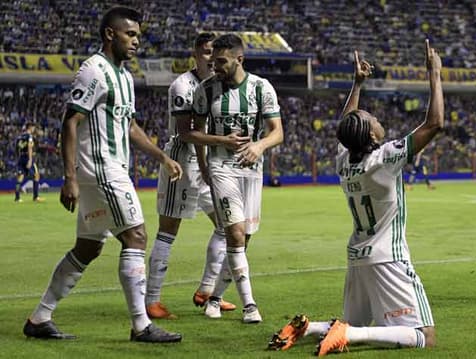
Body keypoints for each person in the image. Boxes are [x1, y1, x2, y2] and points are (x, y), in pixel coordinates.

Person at [268, 40, 443, 356]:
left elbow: (345, 126)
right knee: (424, 337)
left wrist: (357, 84)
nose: (375, 117)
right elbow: (434, 124)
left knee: (358, 320)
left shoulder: (343, 160)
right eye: (371, 117)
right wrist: (435, 74)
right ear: (373, 136)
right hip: (389, 257)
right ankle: (349, 334)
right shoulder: (384, 159)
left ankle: (309, 328)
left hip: (357, 256)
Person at [23, 6, 183, 342]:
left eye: (138, 34)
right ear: (111, 34)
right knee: (136, 236)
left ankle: (39, 317)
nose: (137, 41)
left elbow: (130, 126)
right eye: (131, 34)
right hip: (102, 168)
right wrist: (68, 177)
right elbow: (71, 121)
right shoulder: (94, 70)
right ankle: (142, 325)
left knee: (87, 248)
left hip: (107, 169)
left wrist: (162, 157)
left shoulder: (124, 76)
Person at [186, 33, 283, 323]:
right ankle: (250, 306)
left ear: (239, 59)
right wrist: (206, 162)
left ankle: (214, 298)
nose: (215, 66)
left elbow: (277, 132)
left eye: (221, 61)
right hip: (221, 167)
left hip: (252, 170)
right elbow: (192, 133)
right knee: (236, 232)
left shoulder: (261, 88)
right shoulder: (205, 89)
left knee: (242, 240)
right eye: (213, 61)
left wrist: (259, 145)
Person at [146, 32, 236, 320]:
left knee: (227, 225)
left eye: (216, 52)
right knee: (168, 230)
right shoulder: (182, 86)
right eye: (207, 52)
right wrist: (217, 148)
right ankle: (152, 300)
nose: (212, 58)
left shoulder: (220, 86)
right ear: (196, 54)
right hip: (183, 161)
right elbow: (187, 132)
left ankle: (207, 290)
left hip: (209, 162)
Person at [15, 122, 45, 203]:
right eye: (33, 127)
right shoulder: (29, 136)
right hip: (28, 157)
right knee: (36, 175)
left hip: (21, 158)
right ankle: (36, 197)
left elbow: (16, 148)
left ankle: (17, 198)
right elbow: (30, 147)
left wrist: (18, 158)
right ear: (30, 127)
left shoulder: (19, 137)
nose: (34, 129)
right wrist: (30, 160)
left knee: (20, 177)